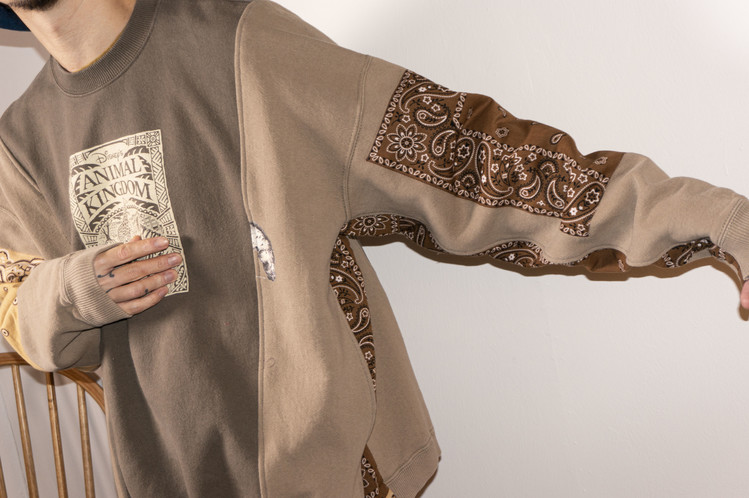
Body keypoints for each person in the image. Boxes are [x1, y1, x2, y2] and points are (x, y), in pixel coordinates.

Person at [2, 0, 749, 496]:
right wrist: (73, 290)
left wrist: (723, 220)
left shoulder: (239, 41)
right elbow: (24, 310)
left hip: (328, 470)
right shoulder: (19, 142)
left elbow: (470, 160)